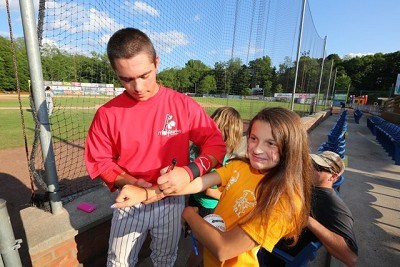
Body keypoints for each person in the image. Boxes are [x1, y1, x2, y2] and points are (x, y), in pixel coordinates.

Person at [84, 27, 226, 267]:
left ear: (156, 62)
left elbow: (215, 144)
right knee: (118, 262)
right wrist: (127, 180)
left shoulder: (181, 104)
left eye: (145, 75)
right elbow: (100, 160)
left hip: (172, 200)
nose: (137, 87)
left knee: (165, 259)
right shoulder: (107, 113)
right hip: (130, 201)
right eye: (126, 79)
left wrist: (189, 171)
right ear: (115, 72)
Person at [113, 107, 313, 266]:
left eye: (271, 143)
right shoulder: (239, 167)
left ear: (290, 148)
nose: (257, 149)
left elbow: (224, 248)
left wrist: (190, 214)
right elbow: (198, 183)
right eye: (253, 138)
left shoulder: (285, 199)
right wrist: (146, 192)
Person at [257, 150, 358, 267]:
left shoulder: (331, 203)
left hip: (272, 255)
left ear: (333, 176)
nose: (310, 168)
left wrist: (307, 219)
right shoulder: (312, 187)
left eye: (317, 167)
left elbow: (351, 257)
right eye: (310, 163)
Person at [187, 106, 243, 266]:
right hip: (209, 208)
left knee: (197, 244)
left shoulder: (197, 148)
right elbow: (210, 191)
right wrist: (233, 198)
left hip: (195, 200)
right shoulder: (220, 157)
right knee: (202, 248)